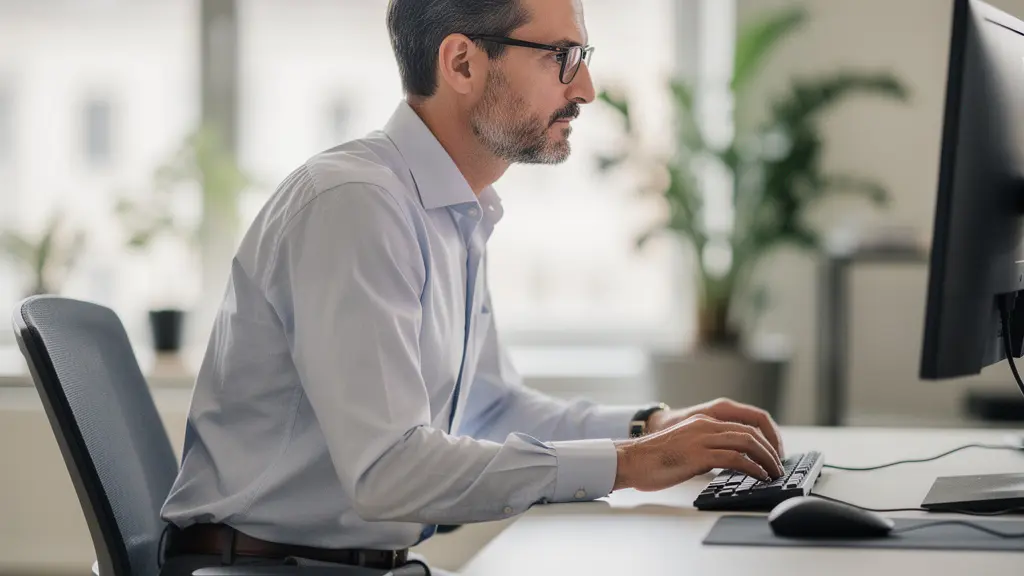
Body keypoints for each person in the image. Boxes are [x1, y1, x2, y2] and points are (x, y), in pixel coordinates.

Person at [158, 0, 787, 574]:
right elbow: (388, 471)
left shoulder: (450, 209)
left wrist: (651, 427)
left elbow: (490, 410)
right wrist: (628, 464)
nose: (585, 89)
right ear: (462, 62)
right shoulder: (354, 205)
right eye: (562, 57)